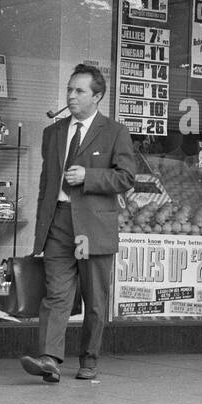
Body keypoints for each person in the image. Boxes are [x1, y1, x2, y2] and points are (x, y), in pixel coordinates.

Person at [20, 64, 137, 383]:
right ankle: (49, 358)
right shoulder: (53, 132)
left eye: (79, 91)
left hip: (93, 227)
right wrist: (40, 231)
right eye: (69, 89)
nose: (71, 95)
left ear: (97, 96)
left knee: (94, 298)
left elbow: (127, 177)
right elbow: (46, 183)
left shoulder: (115, 132)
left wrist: (90, 176)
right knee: (55, 293)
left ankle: (89, 358)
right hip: (58, 221)